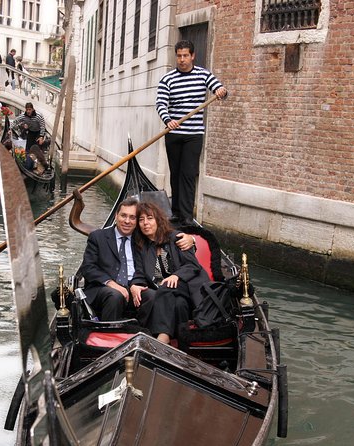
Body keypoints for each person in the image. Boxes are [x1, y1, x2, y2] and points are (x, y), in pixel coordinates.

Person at [156, 40, 228, 226]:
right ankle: (177, 213)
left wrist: (221, 91)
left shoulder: (203, 75)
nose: (182, 59)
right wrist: (167, 120)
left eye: (185, 55)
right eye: (179, 56)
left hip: (193, 135)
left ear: (192, 56)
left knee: (188, 174)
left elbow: (220, 90)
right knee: (176, 173)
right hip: (173, 133)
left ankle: (187, 216)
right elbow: (161, 104)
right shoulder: (168, 79)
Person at [130, 201, 210, 344]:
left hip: (188, 285)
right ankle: (182, 342)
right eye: (141, 220)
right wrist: (135, 284)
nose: (145, 223)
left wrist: (176, 275)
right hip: (170, 295)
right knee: (179, 304)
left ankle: (162, 338)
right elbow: (140, 272)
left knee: (166, 287)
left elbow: (193, 265)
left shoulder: (177, 238)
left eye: (149, 218)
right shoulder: (141, 247)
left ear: (158, 220)